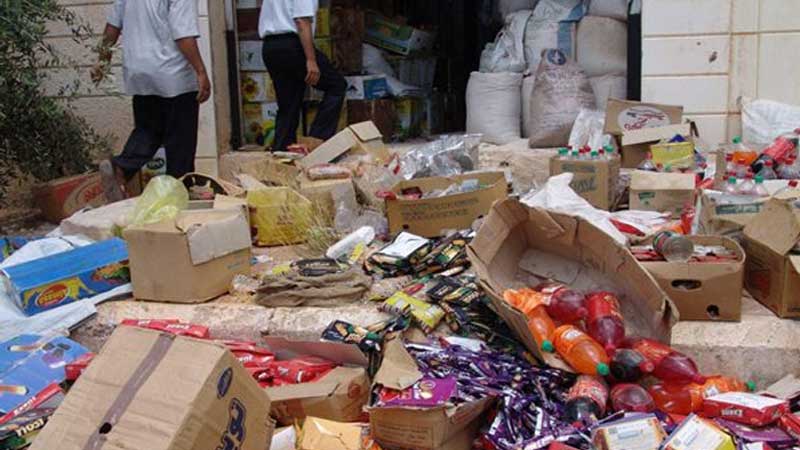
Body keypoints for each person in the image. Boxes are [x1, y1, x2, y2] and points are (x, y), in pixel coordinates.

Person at [92, 0, 211, 200]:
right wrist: (200, 71)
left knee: (147, 130)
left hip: (139, 71)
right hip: (173, 74)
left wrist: (103, 61)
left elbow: (112, 27)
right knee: (180, 141)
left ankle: (121, 167)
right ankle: (179, 189)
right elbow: (183, 34)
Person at [259, 0, 347, 152]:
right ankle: (316, 142)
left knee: (288, 105)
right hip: (292, 45)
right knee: (336, 86)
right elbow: (301, 21)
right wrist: (311, 60)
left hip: (270, 46)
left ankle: (281, 150)